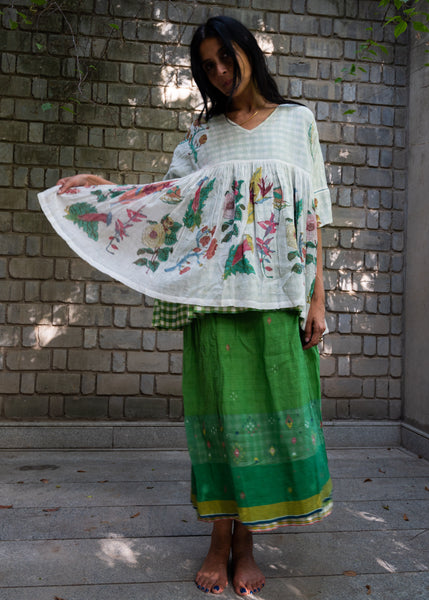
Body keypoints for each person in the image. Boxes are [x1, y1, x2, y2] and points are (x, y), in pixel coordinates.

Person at [39, 16, 333, 597]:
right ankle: (219, 541)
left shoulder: (299, 122)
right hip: (213, 301)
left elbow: (315, 214)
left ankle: (246, 542)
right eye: (207, 66)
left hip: (279, 298)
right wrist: (106, 189)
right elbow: (165, 204)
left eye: (226, 58)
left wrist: (319, 299)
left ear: (248, 52)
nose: (219, 72)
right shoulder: (202, 138)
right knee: (221, 422)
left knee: (271, 416)